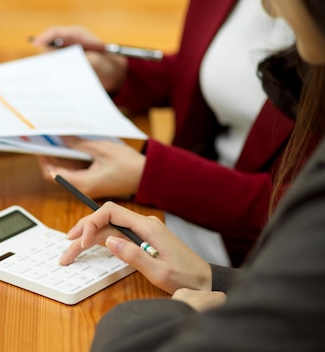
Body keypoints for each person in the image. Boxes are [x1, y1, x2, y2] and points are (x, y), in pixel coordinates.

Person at [58, 0, 325, 349]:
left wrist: (183, 310)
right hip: (214, 257)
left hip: (245, 246)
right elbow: (212, 72)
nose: (271, 10)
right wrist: (209, 278)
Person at [32, 0, 305, 267]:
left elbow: (305, 209)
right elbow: (212, 72)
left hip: (256, 256)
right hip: (181, 206)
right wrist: (120, 71)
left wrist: (152, 176)